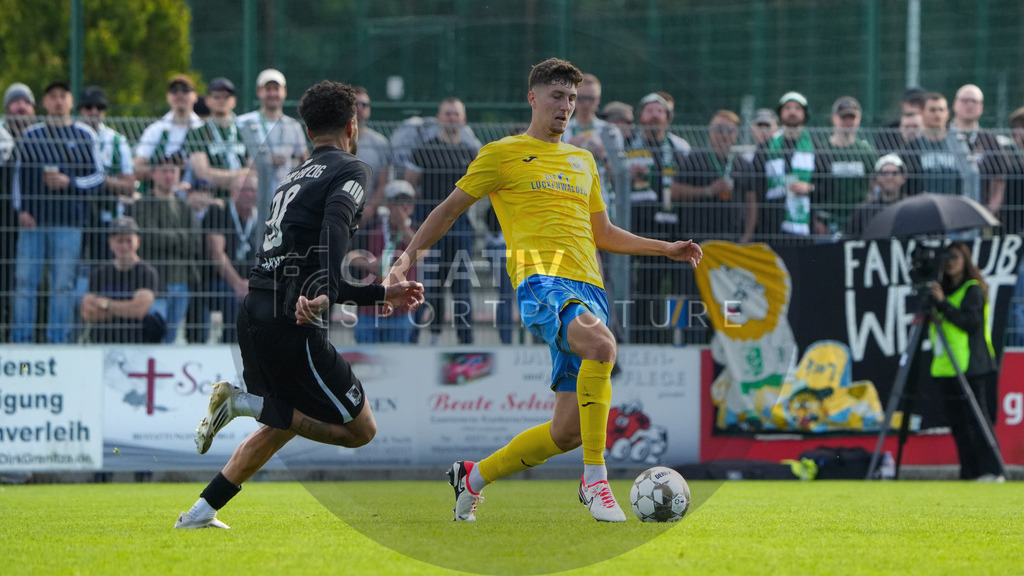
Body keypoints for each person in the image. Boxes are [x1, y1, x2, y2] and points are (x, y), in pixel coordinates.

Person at [384, 57, 702, 523]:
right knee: (602, 345)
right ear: (533, 98)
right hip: (541, 282)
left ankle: (472, 477)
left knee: (567, 432)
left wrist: (665, 248)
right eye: (557, 96)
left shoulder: (583, 160)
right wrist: (403, 261)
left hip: (589, 287)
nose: (566, 106)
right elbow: (448, 210)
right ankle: (595, 481)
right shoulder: (501, 153)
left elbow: (603, 233)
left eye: (572, 98)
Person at [174, 80, 423, 530]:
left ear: (308, 131)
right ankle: (244, 405)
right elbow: (333, 238)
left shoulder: (292, 177)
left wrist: (368, 292)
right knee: (361, 431)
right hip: (291, 323)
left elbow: (304, 264)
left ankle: (200, 512)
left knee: (285, 423)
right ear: (353, 126)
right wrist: (358, 291)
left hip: (255, 311)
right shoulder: (352, 168)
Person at [12, 80, 105, 343]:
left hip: (69, 223)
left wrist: (70, 182)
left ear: (71, 102)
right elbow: (18, 179)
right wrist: (21, 210)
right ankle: (21, 341)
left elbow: (99, 177)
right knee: (25, 283)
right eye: (52, 96)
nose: (57, 101)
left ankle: (58, 341)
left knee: (62, 285)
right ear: (44, 103)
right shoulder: (31, 135)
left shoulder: (85, 135)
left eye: (63, 96)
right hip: (33, 223)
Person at [404, 97, 478, 345]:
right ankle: (421, 341)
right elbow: (409, 186)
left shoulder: (471, 153)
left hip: (461, 229)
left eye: (456, 114)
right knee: (429, 287)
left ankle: (466, 345)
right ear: (439, 118)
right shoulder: (424, 151)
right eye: (447, 114)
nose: (452, 118)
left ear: (463, 119)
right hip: (431, 228)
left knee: (462, 290)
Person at [929, 242, 1005, 482]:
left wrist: (942, 304)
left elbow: (969, 323)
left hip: (974, 366)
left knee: (978, 421)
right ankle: (970, 472)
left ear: (965, 260)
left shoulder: (972, 289)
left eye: (955, 257)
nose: (950, 262)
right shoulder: (941, 290)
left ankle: (992, 470)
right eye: (946, 257)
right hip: (948, 367)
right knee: (958, 424)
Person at [624, 91, 691, 343]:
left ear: (668, 118)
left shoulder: (680, 147)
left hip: (671, 225)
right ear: (640, 116)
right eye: (649, 110)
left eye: (660, 111)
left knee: (675, 285)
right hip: (636, 225)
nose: (654, 115)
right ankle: (641, 336)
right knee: (642, 286)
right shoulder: (627, 145)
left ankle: (674, 337)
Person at [131, 152, 200, 344]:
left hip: (182, 281)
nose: (169, 175)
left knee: (171, 339)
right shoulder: (143, 204)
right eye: (164, 171)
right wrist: (182, 237)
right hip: (154, 282)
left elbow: (195, 242)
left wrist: (168, 237)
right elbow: (150, 239)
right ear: (153, 174)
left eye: (173, 171)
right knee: (153, 336)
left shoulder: (184, 206)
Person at [77, 86, 135, 292]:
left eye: (99, 107)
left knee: (104, 274)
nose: (94, 112)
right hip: (76, 217)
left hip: (107, 218)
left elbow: (129, 186)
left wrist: (98, 180)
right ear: (80, 110)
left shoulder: (117, 141)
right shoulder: (70, 136)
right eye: (89, 107)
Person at [196, 172, 261, 344]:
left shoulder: (262, 217)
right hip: (216, 282)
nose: (249, 194)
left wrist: (254, 284)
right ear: (233, 192)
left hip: (250, 283)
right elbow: (217, 253)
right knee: (233, 298)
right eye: (244, 190)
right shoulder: (219, 211)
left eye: (253, 190)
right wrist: (238, 284)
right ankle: (230, 346)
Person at [673, 109, 757, 243]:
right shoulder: (694, 160)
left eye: (730, 131)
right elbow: (675, 191)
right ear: (710, 131)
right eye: (719, 129)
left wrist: (746, 236)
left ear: (736, 134)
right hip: (697, 240)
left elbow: (751, 203)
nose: (724, 135)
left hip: (732, 240)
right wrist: (708, 190)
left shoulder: (744, 165)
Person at [350, 179, 418, 344]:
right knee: (366, 357)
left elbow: (423, 252)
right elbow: (351, 256)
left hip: (401, 310)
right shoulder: (371, 226)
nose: (403, 206)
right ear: (387, 204)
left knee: (398, 357)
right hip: (369, 309)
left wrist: (402, 227)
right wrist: (370, 264)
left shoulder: (418, 228)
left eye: (407, 201)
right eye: (397, 201)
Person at [80, 216, 164, 344]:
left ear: (138, 241)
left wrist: (104, 304)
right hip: (103, 343)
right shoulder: (99, 274)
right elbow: (88, 313)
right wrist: (127, 308)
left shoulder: (147, 272)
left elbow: (139, 310)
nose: (124, 246)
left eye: (129, 240)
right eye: (119, 241)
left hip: (137, 343)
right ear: (110, 243)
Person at [752, 91, 819, 243]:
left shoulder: (817, 148)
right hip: (770, 225)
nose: (792, 112)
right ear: (780, 113)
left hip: (804, 228)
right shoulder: (764, 149)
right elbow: (756, 187)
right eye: (788, 108)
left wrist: (809, 188)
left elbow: (827, 185)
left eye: (797, 108)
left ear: (805, 114)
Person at [814, 96, 878, 237]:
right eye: (844, 118)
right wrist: (816, 219)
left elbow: (874, 186)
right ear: (834, 119)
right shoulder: (822, 150)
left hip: (860, 219)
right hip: (828, 220)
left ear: (858, 119)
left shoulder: (866, 151)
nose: (848, 122)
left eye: (852, 118)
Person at [236, 68, 309, 189]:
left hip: (284, 191)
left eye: (276, 89)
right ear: (259, 92)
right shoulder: (243, 123)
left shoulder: (293, 126)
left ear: (284, 91)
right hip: (252, 191)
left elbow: (303, 159)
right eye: (268, 89)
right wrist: (264, 161)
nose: (273, 94)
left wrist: (289, 162)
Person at [134, 75, 203, 188]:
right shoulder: (155, 130)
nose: (179, 94)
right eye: (174, 91)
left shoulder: (203, 130)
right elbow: (138, 167)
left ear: (195, 96)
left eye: (185, 90)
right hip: (159, 195)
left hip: (195, 195)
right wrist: (166, 176)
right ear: (168, 96)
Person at [949, 84, 1007, 217]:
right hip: (948, 212)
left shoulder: (990, 140)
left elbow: (1000, 179)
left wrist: (990, 211)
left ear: (981, 107)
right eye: (965, 100)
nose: (969, 105)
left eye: (974, 101)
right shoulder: (943, 137)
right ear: (955, 104)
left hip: (981, 212)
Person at [188, 77, 249, 201]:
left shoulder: (246, 132)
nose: (221, 100)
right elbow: (203, 174)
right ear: (208, 101)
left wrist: (217, 176)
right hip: (212, 201)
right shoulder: (197, 133)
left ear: (234, 101)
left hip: (243, 201)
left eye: (226, 96)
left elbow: (254, 173)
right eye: (216, 96)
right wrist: (241, 176)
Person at [352, 87, 392, 227]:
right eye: (355, 104)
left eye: (364, 105)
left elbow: (383, 182)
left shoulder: (380, 143)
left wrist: (369, 209)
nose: (360, 108)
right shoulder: (336, 141)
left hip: (369, 218)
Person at [844, 154, 909, 238]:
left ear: (903, 178)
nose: (889, 177)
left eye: (895, 173)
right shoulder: (864, 211)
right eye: (884, 173)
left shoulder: (910, 207)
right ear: (877, 178)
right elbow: (846, 237)